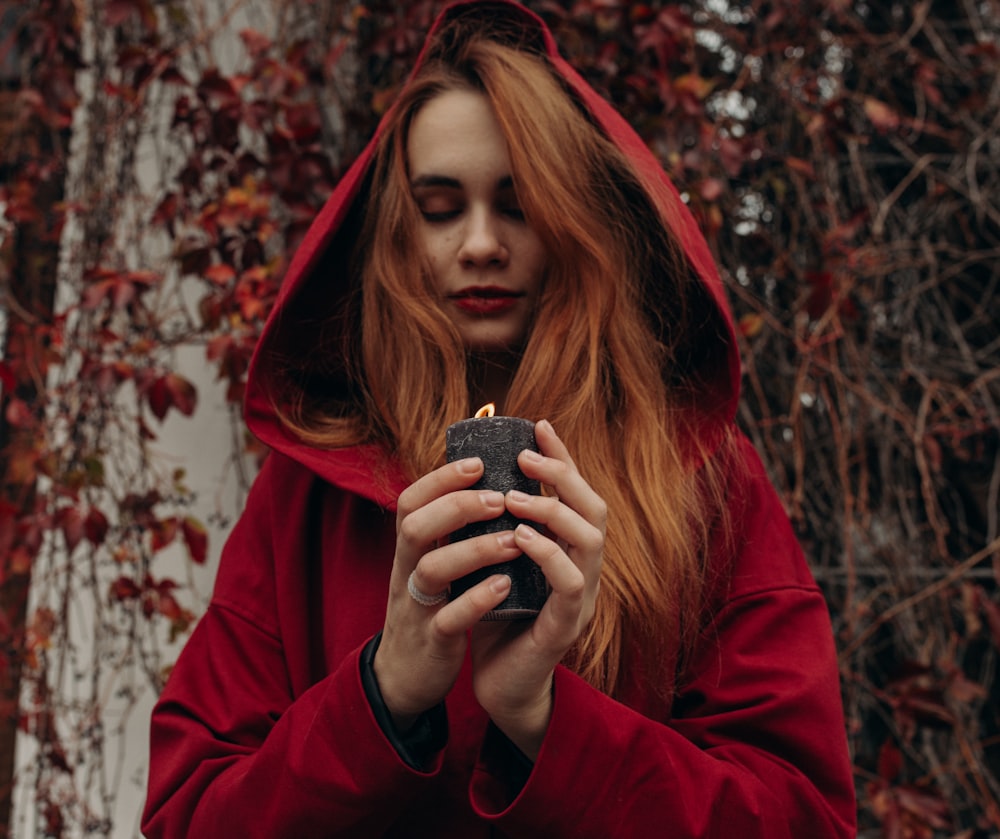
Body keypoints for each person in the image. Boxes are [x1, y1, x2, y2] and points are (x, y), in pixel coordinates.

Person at [141, 1, 856, 836]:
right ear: (397, 235)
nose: (480, 243)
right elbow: (188, 817)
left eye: (519, 204)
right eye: (441, 207)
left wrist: (550, 718)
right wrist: (384, 689)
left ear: (576, 222)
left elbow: (802, 817)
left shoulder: (700, 476)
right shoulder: (310, 494)